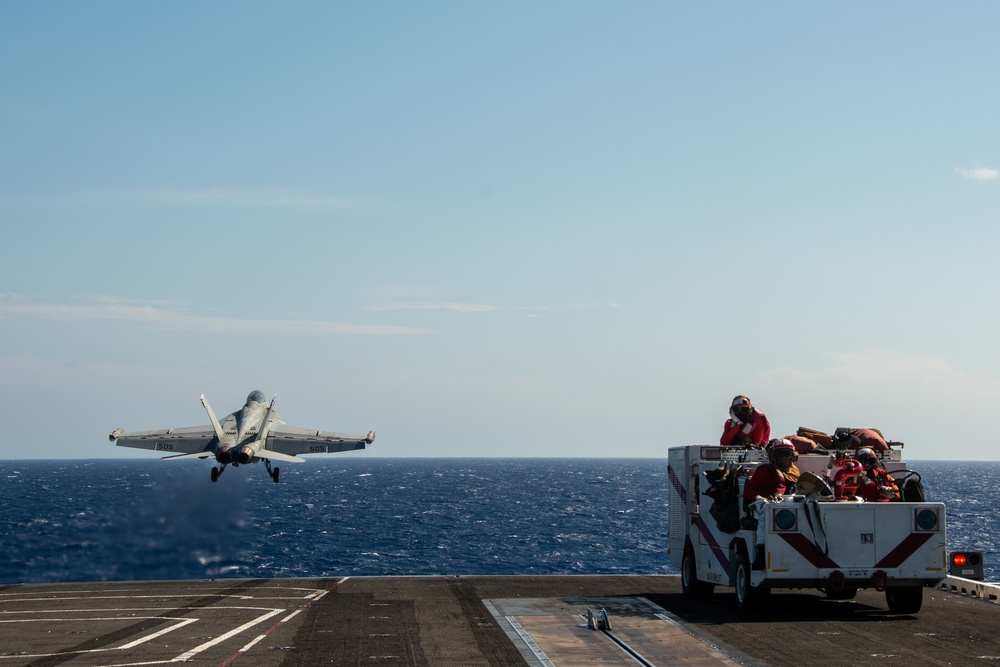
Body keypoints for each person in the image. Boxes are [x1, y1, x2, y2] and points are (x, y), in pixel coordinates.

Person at [742, 439, 799, 511]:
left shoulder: (795, 472)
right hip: (766, 511)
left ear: (793, 456)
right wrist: (759, 499)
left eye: (787, 454)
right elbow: (748, 490)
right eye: (779, 454)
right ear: (773, 456)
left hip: (791, 509)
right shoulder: (765, 470)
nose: (784, 457)